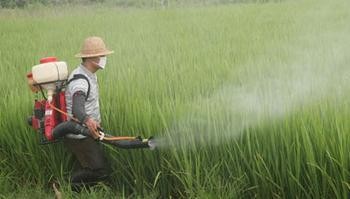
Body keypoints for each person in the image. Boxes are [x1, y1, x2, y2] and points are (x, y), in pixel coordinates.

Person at [64, 36, 114, 191]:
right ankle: (68, 187)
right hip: (80, 134)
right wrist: (88, 120)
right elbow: (77, 109)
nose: (104, 58)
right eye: (102, 55)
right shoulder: (80, 81)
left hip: (87, 130)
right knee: (100, 171)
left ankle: (78, 191)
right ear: (92, 58)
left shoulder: (88, 74)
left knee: (90, 164)